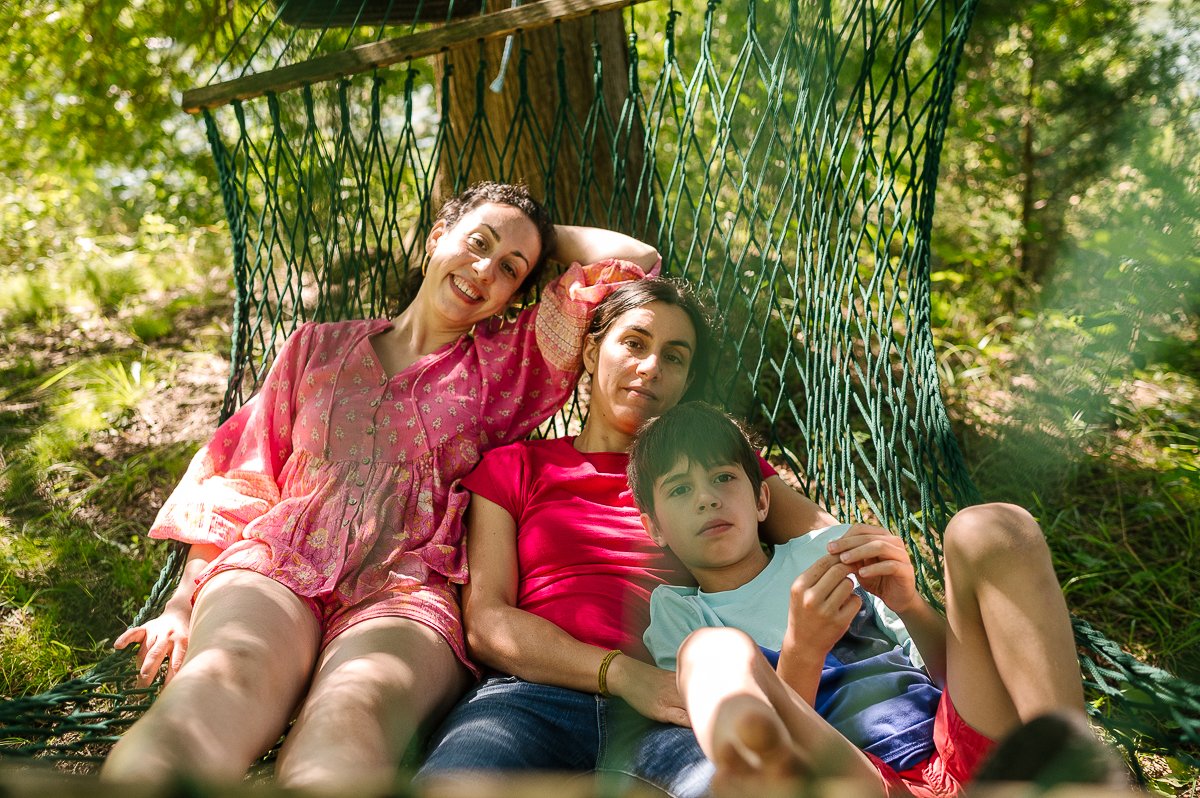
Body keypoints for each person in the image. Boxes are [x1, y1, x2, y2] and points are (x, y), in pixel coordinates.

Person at [100, 182, 661, 788]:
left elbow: (637, 261)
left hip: (409, 587)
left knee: (350, 721)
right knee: (219, 685)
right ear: (434, 240)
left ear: (511, 298)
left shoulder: (506, 367)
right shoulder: (314, 347)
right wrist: (182, 604)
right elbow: (243, 479)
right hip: (278, 562)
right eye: (476, 242)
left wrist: (539, 239)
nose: (483, 269)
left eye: (508, 269)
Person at [417, 279, 839, 797]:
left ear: (686, 381)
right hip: (530, 695)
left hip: (677, 697)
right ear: (594, 351)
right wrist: (621, 675)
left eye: (675, 357)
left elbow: (832, 540)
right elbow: (487, 619)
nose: (652, 367)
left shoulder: (719, 471)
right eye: (634, 343)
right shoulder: (517, 466)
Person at [629, 401, 1095, 797]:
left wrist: (910, 605)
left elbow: (945, 673)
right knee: (712, 651)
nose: (707, 499)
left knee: (989, 528)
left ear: (762, 502)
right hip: (857, 780)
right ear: (655, 529)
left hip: (961, 744)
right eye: (681, 489)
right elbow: (753, 737)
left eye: (724, 477)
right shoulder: (681, 612)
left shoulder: (827, 550)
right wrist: (803, 651)